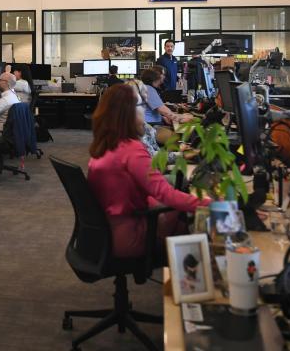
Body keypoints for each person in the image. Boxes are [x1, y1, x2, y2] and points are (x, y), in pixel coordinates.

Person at [87, 84, 208, 258]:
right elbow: (167, 195)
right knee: (188, 216)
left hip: (109, 232)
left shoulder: (106, 144)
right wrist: (219, 204)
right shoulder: (132, 150)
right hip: (130, 238)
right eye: (141, 106)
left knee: (177, 205)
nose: (144, 112)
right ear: (127, 113)